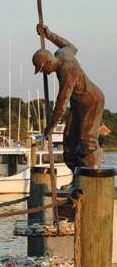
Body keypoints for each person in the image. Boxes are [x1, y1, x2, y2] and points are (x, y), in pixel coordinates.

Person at [32, 24, 105, 177]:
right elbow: (71, 46)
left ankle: (92, 176)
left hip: (92, 101)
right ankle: (77, 177)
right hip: (78, 103)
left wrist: (50, 126)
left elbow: (61, 104)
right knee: (69, 142)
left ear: (49, 63)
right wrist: (49, 34)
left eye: (42, 69)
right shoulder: (62, 53)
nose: (44, 73)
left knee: (87, 140)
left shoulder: (67, 73)